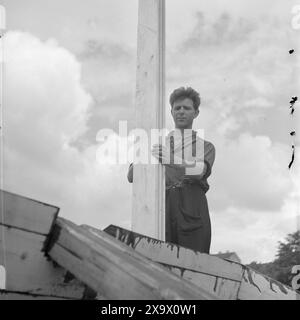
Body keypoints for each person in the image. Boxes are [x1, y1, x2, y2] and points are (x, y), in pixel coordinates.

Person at [127, 87, 215, 254]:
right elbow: (131, 176)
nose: (181, 112)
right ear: (171, 112)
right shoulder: (158, 144)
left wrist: (171, 160)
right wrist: (144, 153)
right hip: (162, 208)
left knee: (194, 265)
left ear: (196, 113)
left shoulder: (206, 146)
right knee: (159, 263)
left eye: (187, 108)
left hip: (192, 207)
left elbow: (198, 171)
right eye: (177, 108)